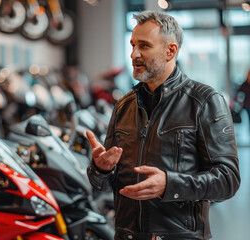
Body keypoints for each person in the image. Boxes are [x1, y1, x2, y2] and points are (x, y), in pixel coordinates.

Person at [86, 10, 240, 240]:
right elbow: (107, 185)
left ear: (170, 51)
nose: (134, 54)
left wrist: (170, 184)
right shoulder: (123, 106)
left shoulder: (204, 101)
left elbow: (228, 179)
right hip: (126, 235)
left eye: (144, 46)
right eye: (132, 45)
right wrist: (101, 169)